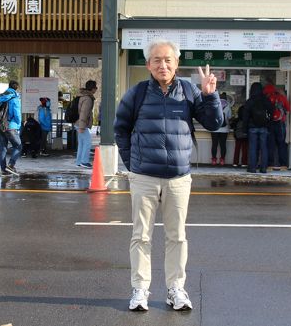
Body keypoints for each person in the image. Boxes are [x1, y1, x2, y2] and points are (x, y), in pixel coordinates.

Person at [114, 39, 223, 312]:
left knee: (177, 236)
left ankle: (176, 288)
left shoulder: (188, 91)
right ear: (148, 65)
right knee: (141, 236)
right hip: (144, 178)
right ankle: (140, 289)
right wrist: (133, 165)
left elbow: (214, 123)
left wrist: (210, 95)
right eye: (157, 60)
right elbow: (120, 130)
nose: (163, 65)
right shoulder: (137, 93)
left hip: (178, 178)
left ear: (176, 63)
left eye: (168, 60)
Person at [0, 80, 22, 175]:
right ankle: (11, 165)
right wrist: (18, 124)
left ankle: (3, 170)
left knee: (3, 148)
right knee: (18, 146)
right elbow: (17, 114)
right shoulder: (15, 99)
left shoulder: (1, 98)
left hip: (1, 126)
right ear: (16, 88)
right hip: (11, 127)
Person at [243, 82, 274, 174]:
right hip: (264, 127)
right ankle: (263, 168)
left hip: (252, 127)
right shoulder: (266, 100)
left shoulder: (250, 101)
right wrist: (269, 123)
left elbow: (245, 116)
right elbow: (271, 112)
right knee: (264, 148)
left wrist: (245, 128)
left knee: (252, 148)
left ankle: (252, 168)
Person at [263, 84, 291, 170]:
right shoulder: (282, 97)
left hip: (270, 123)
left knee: (270, 145)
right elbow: (288, 109)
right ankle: (283, 165)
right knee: (281, 144)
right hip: (280, 123)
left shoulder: (266, 98)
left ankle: (270, 165)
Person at [74, 80, 97, 168]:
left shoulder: (82, 96)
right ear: (93, 89)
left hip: (77, 122)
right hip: (81, 123)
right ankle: (84, 161)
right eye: (96, 88)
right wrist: (82, 126)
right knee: (87, 142)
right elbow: (84, 113)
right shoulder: (87, 99)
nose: (96, 89)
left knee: (82, 143)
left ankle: (79, 161)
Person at [210, 92, 232, 165]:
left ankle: (214, 160)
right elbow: (229, 117)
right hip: (224, 129)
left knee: (214, 144)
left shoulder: (214, 105)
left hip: (214, 128)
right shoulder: (228, 106)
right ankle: (222, 160)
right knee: (223, 145)